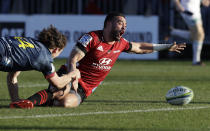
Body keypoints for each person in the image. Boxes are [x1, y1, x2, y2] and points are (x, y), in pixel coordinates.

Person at [10, 13, 186, 109]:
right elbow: (73, 57)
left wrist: (165, 47)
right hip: (70, 75)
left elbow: (140, 47)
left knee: (65, 104)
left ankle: (48, 99)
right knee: (59, 92)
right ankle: (27, 102)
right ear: (108, 24)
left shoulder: (121, 44)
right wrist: (72, 80)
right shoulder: (92, 37)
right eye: (119, 23)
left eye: (125, 24)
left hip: (86, 89)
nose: (124, 27)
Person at [0, 25, 79, 107]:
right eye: (60, 52)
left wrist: (16, 100)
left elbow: (12, 76)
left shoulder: (31, 43)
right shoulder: (44, 57)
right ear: (56, 49)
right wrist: (73, 74)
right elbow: (58, 83)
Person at [169, 0, 210, 65]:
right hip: (188, 10)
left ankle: (172, 32)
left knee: (196, 36)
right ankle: (196, 61)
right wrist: (178, 5)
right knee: (199, 34)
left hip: (196, 11)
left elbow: (205, 2)